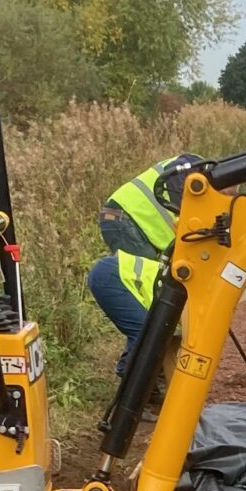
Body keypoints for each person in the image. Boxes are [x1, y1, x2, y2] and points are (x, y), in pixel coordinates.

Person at [87, 157, 197, 374]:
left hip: (125, 220)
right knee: (144, 292)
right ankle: (138, 370)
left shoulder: (198, 174)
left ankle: (147, 366)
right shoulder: (195, 171)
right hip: (123, 219)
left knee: (151, 298)